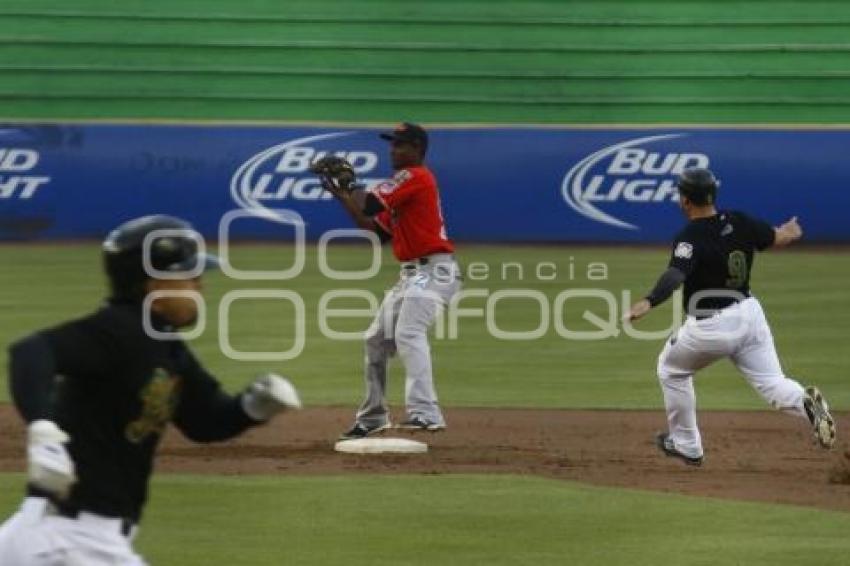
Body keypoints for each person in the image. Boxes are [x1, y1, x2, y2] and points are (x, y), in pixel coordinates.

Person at [0, 215, 302, 565]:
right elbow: (32, 352)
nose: (200, 287)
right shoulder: (116, 331)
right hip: (69, 540)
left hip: (61, 536)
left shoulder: (167, 347)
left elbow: (205, 421)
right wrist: (42, 429)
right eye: (190, 276)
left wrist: (253, 407)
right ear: (154, 284)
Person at [625, 167, 836, 466]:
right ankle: (806, 403)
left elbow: (675, 274)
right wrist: (789, 231)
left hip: (711, 326)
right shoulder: (739, 221)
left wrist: (649, 301)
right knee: (773, 382)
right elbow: (777, 236)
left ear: (685, 200)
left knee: (670, 370)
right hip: (749, 314)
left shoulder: (690, 236)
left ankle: (687, 445)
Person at [315, 122, 461, 438]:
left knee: (409, 330)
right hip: (412, 275)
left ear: (418, 149)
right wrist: (343, 194)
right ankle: (373, 417)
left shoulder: (414, 176)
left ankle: (425, 412)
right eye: (392, 144)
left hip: (434, 271)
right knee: (376, 339)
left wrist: (352, 183)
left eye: (401, 144)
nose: (393, 149)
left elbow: (369, 202)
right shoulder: (402, 185)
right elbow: (375, 230)